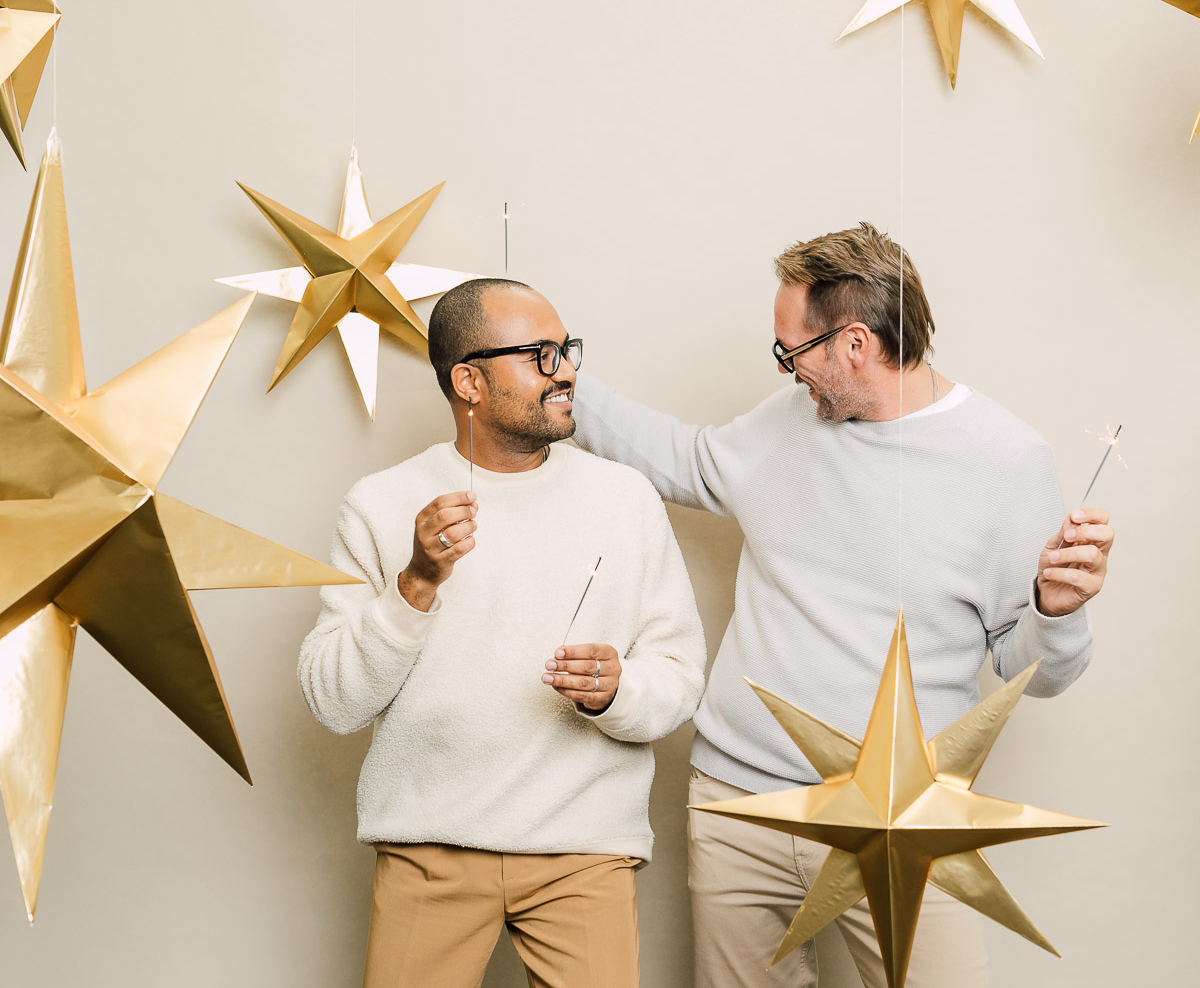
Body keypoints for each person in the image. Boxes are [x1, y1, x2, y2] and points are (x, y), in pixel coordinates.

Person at [570, 223, 1114, 987]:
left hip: (902, 820)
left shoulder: (1007, 462)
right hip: (737, 805)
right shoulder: (788, 423)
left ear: (854, 344)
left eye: (791, 353)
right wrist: (565, 382)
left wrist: (1055, 613)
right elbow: (684, 458)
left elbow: (1035, 671)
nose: (789, 374)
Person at [298, 278, 707, 988]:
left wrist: (620, 690)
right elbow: (333, 702)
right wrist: (416, 582)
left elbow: (678, 674)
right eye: (541, 356)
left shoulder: (625, 499)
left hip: (584, 849)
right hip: (430, 848)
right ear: (469, 382)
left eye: (567, 350)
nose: (568, 371)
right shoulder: (381, 504)